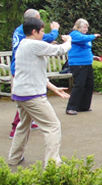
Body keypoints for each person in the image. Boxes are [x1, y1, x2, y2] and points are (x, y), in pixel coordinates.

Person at [7, 18, 72, 168]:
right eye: (42, 31)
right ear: (34, 31)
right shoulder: (33, 44)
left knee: (23, 125)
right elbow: (60, 50)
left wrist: (53, 88)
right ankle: (52, 164)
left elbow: (33, 72)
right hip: (32, 95)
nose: (44, 34)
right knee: (53, 126)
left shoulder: (23, 44)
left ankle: (14, 158)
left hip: (21, 93)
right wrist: (69, 40)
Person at [10, 9, 60, 138]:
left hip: (19, 65)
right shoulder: (25, 31)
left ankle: (30, 121)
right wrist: (55, 29)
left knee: (27, 97)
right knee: (27, 96)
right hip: (23, 68)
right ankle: (16, 127)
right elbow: (48, 37)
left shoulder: (20, 29)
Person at [66, 18, 99, 115]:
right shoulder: (74, 34)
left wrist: (93, 57)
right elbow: (82, 39)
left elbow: (85, 49)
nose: (86, 29)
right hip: (78, 64)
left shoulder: (85, 37)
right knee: (79, 85)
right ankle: (70, 107)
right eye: (84, 27)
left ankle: (83, 106)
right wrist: (93, 36)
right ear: (78, 27)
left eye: (87, 27)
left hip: (87, 63)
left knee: (89, 85)